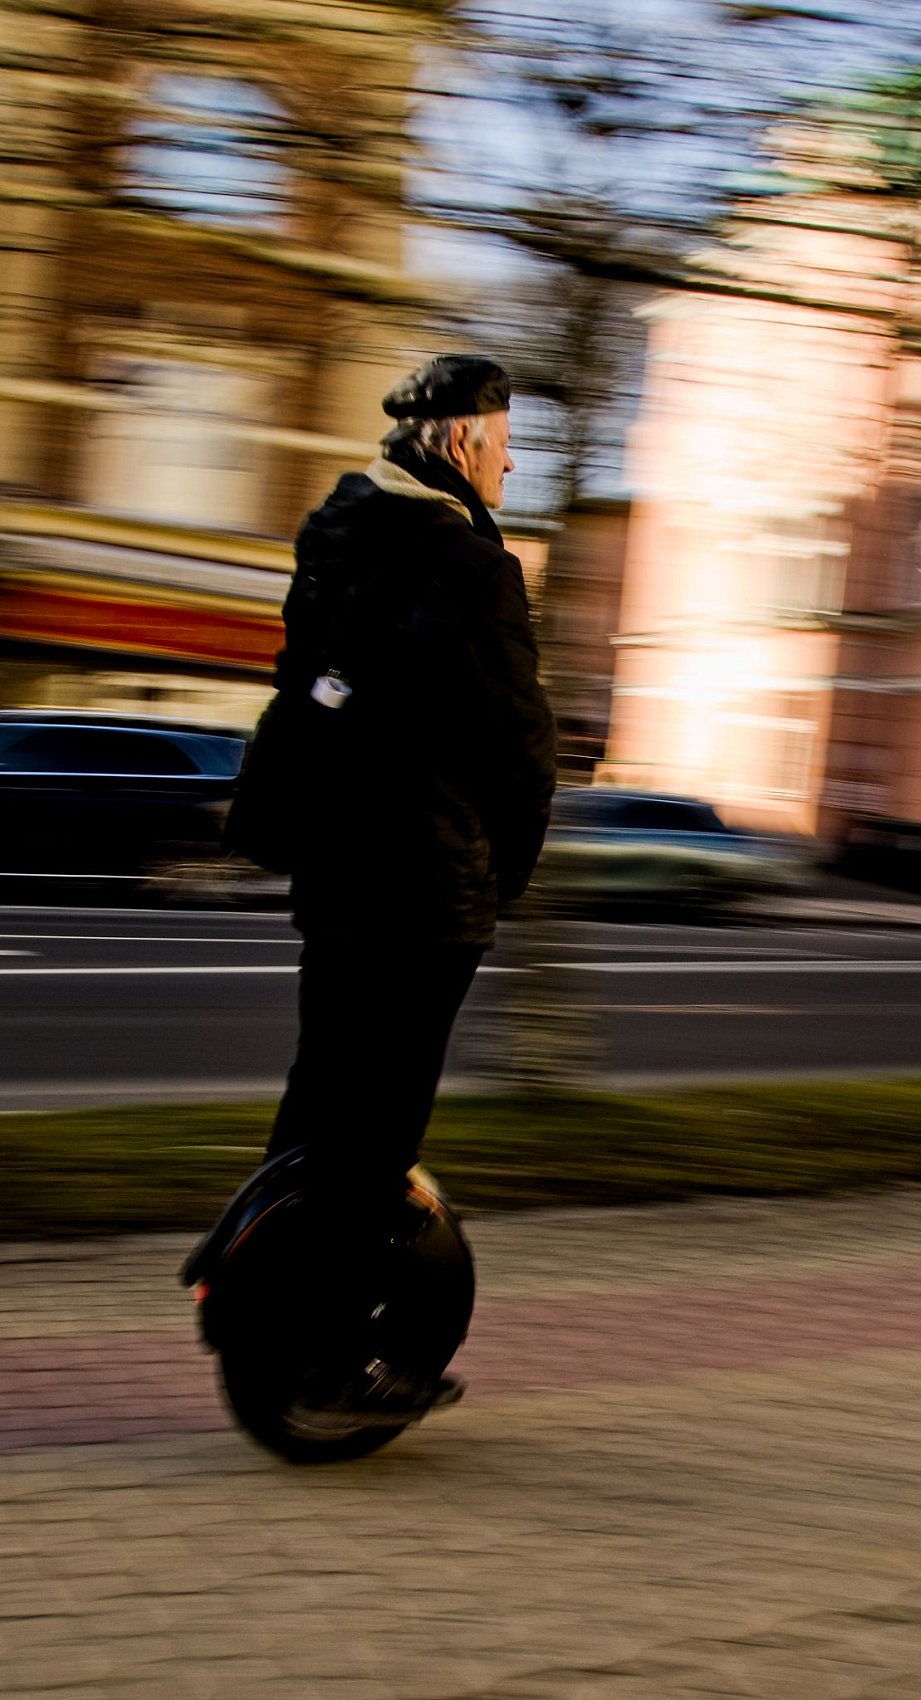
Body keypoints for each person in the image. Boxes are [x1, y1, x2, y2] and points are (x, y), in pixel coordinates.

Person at [225, 354, 556, 1428]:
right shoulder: (469, 562)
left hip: (337, 868)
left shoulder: (334, 537)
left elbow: (303, 692)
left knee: (321, 1098)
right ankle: (329, 1364)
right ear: (461, 441)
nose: (511, 462)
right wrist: (501, 873)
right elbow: (520, 744)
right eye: (504, 440)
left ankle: (260, 1316)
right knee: (375, 1133)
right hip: (423, 882)